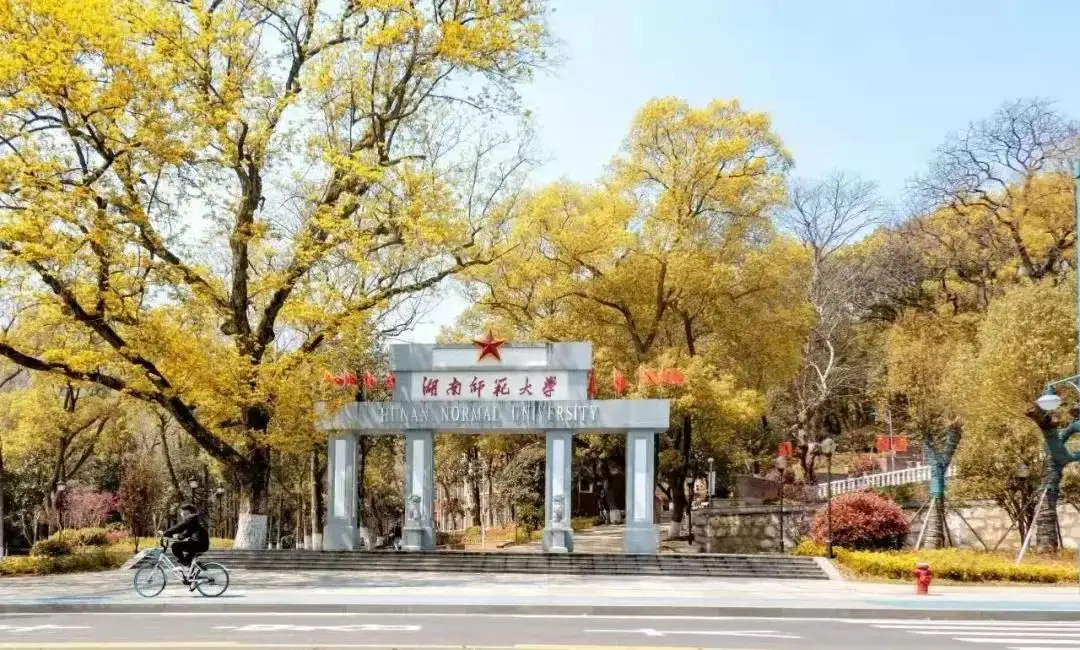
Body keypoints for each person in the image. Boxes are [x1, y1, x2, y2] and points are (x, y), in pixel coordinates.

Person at [158, 504, 209, 581]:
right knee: (188, 559)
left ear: (187, 512)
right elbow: (188, 532)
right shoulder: (195, 519)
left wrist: (166, 533)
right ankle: (193, 574)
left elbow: (179, 526)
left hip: (198, 544)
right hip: (200, 544)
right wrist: (179, 537)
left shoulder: (191, 518)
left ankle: (185, 565)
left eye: (183, 513)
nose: (182, 515)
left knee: (175, 546)